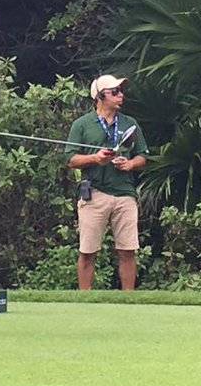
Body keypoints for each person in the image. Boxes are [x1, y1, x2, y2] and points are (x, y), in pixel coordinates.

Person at [64, 75, 149, 290]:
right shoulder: (82, 124)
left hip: (125, 193)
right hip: (95, 192)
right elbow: (70, 159)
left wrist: (130, 164)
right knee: (88, 250)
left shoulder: (130, 123)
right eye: (115, 92)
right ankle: (85, 300)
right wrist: (95, 158)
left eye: (121, 91)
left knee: (128, 250)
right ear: (100, 96)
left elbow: (142, 157)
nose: (121, 95)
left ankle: (128, 300)